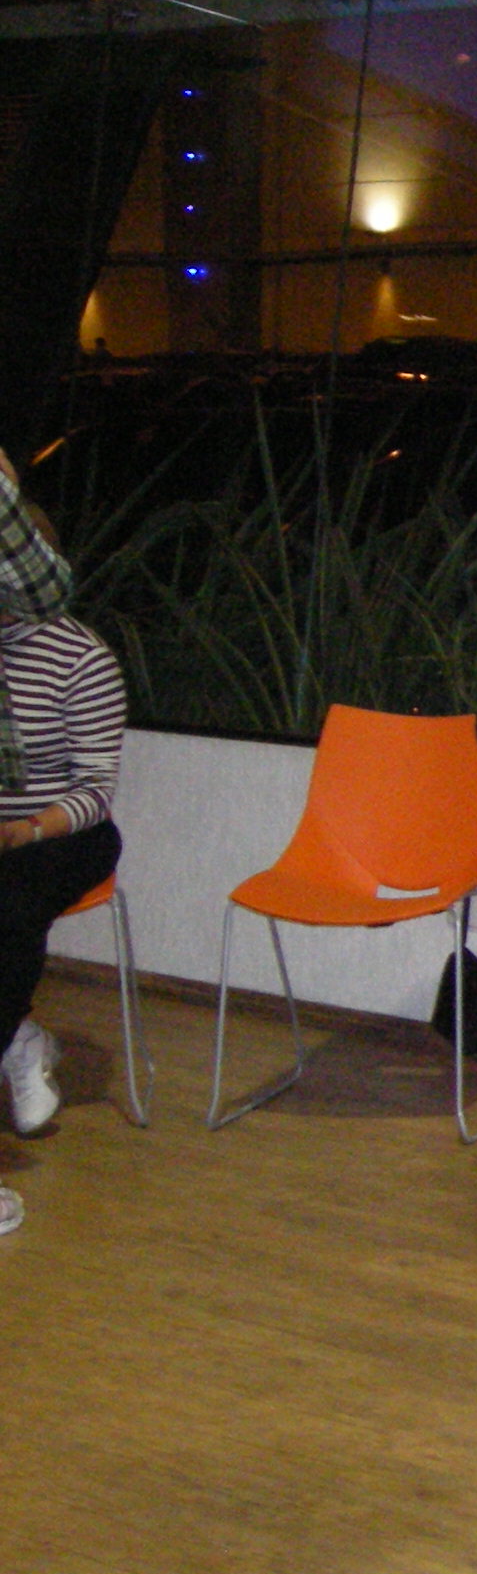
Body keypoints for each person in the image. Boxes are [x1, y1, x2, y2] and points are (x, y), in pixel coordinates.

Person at [0, 471, 123, 1225]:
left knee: (10, 908)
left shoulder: (80, 656)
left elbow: (96, 787)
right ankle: (19, 1037)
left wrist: (26, 829)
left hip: (62, 833)